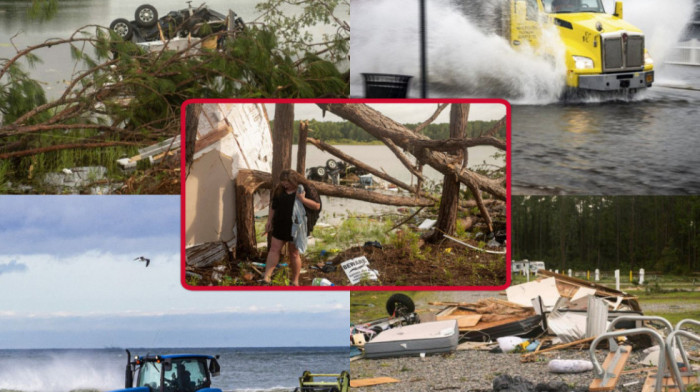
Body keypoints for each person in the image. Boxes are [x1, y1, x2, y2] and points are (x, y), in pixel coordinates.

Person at [261, 169, 321, 286]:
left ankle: (295, 281)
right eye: (283, 182)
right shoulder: (280, 190)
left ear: (294, 180)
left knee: (294, 253)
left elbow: (317, 206)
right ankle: (266, 278)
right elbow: (273, 206)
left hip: (296, 226)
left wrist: (302, 199)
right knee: (274, 250)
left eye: (287, 182)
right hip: (280, 224)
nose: (284, 184)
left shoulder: (304, 189)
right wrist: (269, 221)